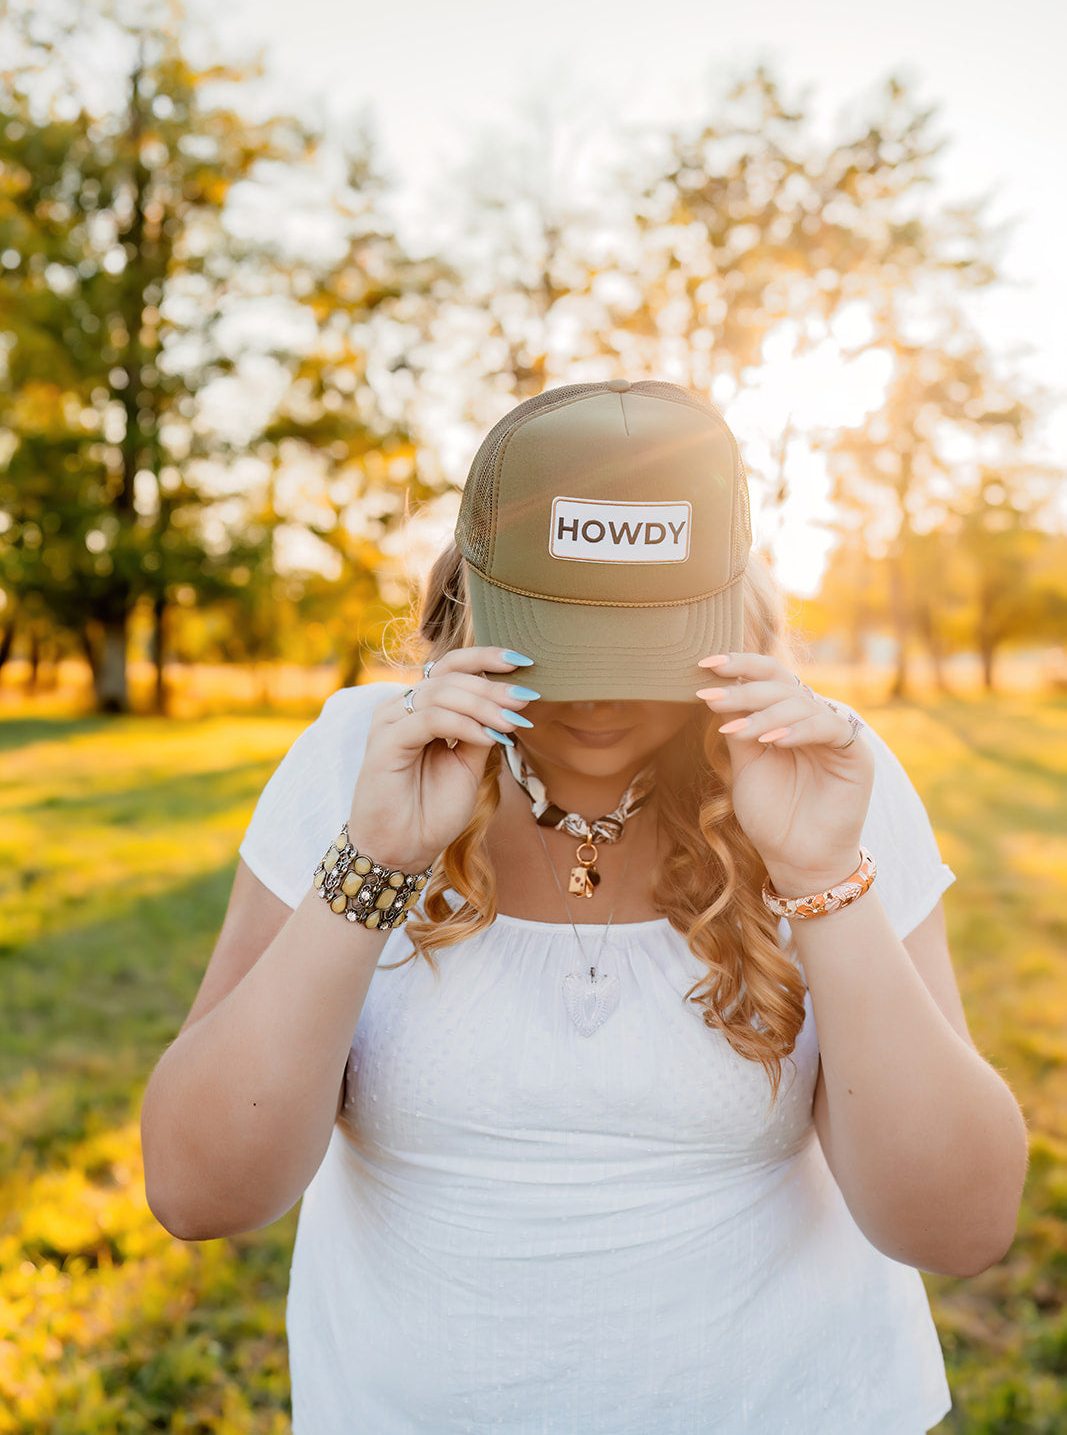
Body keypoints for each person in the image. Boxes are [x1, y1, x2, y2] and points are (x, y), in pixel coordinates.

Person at [141, 378, 1028, 1435]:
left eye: (643, 646)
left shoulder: (823, 771)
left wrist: (817, 878)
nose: (600, 699)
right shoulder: (356, 757)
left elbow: (958, 1223)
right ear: (471, 593)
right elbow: (201, 1191)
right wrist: (373, 862)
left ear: (733, 613)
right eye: (559, 642)